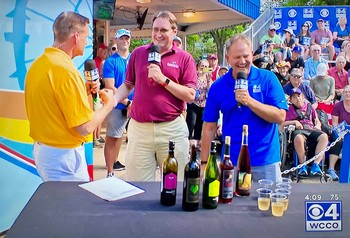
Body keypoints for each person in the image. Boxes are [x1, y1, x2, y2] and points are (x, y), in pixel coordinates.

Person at [24, 11, 114, 182]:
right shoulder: (66, 70)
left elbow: (52, 101)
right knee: (74, 207)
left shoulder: (40, 64)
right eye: (86, 37)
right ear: (75, 37)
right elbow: (85, 127)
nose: (87, 42)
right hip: (63, 157)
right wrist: (108, 106)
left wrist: (83, 89)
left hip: (46, 152)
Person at [113, 11, 197, 181]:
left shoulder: (185, 58)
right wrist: (112, 100)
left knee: (176, 184)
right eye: (155, 29)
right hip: (139, 129)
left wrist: (163, 80)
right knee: (138, 187)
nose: (158, 34)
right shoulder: (138, 53)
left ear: (174, 32)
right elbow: (128, 84)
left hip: (172, 128)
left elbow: (190, 95)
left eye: (164, 30)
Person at [201, 34, 288, 183]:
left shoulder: (268, 79)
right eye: (237, 57)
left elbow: (280, 116)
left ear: (252, 55)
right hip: (232, 161)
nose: (242, 61)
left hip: (265, 160)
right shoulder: (218, 87)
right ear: (228, 58)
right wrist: (204, 163)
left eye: (246, 56)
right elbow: (209, 127)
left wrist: (249, 101)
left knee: (268, 205)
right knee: (230, 205)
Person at [103, 29, 134, 175]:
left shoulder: (134, 59)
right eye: (122, 38)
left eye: (127, 38)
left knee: (129, 139)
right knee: (112, 138)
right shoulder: (110, 62)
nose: (125, 41)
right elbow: (110, 86)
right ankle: (110, 172)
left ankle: (119, 163)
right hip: (118, 106)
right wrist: (127, 102)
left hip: (136, 106)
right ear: (115, 40)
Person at [282, 88, 328, 176]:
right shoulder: (289, 110)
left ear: (303, 97)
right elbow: (282, 124)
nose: (297, 99)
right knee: (298, 138)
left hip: (311, 129)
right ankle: (302, 165)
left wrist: (318, 125)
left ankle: (316, 164)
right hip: (299, 130)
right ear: (291, 100)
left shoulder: (310, 107)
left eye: (299, 96)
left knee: (324, 136)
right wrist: (294, 122)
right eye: (294, 97)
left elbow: (317, 120)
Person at [186, 59, 212, 146]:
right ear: (198, 66)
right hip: (193, 103)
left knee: (199, 125)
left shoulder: (208, 78)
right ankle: (187, 141)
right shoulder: (194, 76)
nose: (203, 68)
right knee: (191, 123)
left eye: (206, 66)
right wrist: (198, 74)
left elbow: (210, 91)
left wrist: (208, 80)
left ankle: (195, 145)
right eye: (202, 65)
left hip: (203, 104)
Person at [328, 85, 350, 180]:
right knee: (337, 141)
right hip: (340, 132)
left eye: (349, 92)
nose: (348, 94)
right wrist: (340, 135)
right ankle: (331, 169)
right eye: (346, 92)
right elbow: (335, 124)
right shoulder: (337, 106)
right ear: (343, 93)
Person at [93, 43, 108, 148]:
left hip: (101, 93)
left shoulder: (103, 62)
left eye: (105, 51)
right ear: (99, 50)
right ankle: (95, 138)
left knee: (100, 117)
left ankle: (98, 136)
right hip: (96, 93)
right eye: (103, 50)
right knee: (97, 116)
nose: (104, 53)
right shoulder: (95, 62)